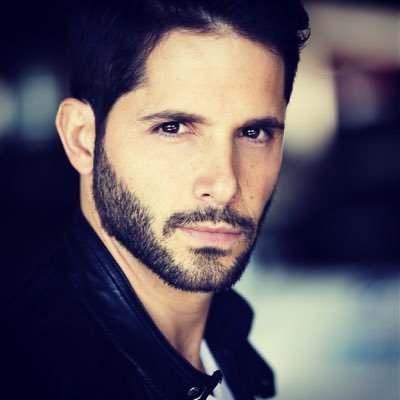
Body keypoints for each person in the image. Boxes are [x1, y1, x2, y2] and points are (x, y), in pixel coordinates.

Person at [6, 0, 309, 399]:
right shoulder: (28, 377)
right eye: (174, 127)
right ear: (82, 138)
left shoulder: (227, 337)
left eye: (254, 133)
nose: (225, 184)